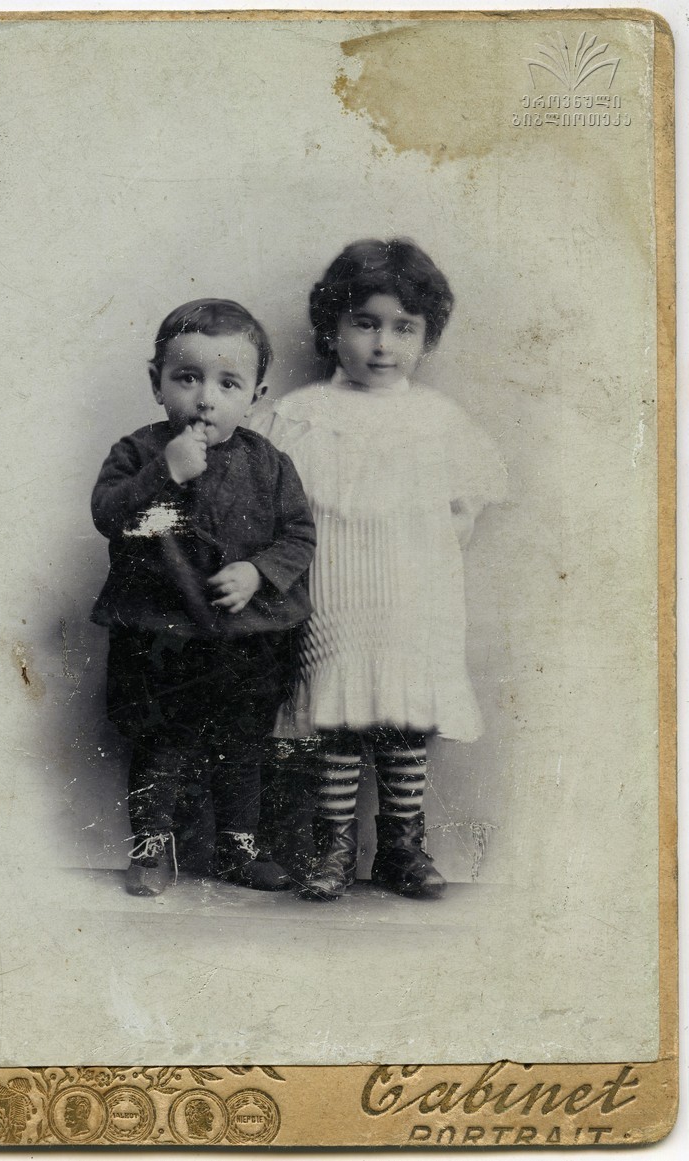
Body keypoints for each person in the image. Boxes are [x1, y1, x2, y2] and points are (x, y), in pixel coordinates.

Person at [251, 239, 506, 902]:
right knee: (338, 716)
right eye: (365, 323)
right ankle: (333, 846)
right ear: (333, 327)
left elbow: (464, 508)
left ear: (426, 337)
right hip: (335, 592)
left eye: (404, 327)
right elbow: (273, 506)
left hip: (413, 593)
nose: (383, 344)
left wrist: (425, 553)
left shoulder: (437, 420)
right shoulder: (299, 416)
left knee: (404, 715)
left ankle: (400, 846)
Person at [91, 299, 316, 897]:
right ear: (157, 383)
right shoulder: (137, 453)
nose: (205, 399)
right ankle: (150, 850)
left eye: (228, 383)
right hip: (159, 636)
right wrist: (163, 472)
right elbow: (109, 516)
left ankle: (237, 849)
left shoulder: (270, 465)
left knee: (243, 748)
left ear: (256, 396)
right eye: (187, 378)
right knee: (159, 743)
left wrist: (258, 573)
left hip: (246, 640)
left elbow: (299, 534)